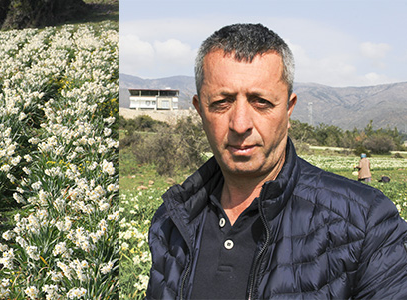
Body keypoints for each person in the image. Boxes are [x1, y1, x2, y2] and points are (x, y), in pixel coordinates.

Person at [146, 23, 407, 299]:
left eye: (260, 102)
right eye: (222, 102)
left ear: (288, 109)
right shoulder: (170, 220)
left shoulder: (366, 221)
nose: (240, 124)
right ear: (200, 111)